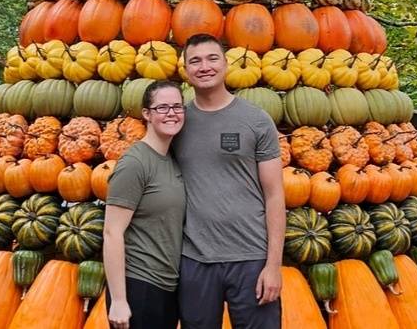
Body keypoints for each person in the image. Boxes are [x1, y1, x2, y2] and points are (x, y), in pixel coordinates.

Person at [173, 34, 286, 329]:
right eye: (195, 61)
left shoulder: (257, 120)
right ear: (185, 69)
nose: (204, 67)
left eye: (212, 58)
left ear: (225, 64)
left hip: (251, 258)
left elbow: (275, 195)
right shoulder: (175, 124)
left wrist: (273, 265)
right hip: (195, 259)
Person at [104, 81, 187, 329]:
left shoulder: (171, 160)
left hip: (166, 286)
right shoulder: (135, 163)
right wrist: (119, 300)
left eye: (177, 106)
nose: (171, 113)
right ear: (147, 114)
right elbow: (112, 232)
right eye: (162, 107)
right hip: (138, 285)